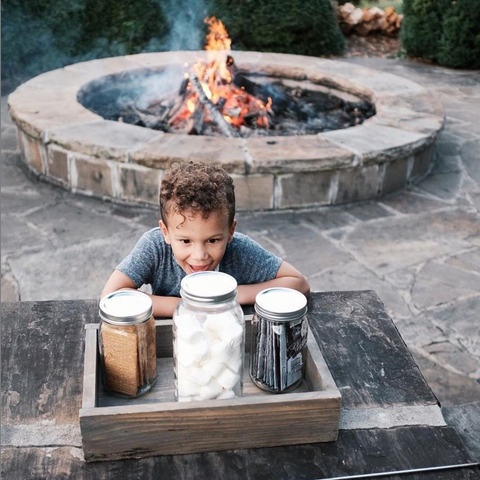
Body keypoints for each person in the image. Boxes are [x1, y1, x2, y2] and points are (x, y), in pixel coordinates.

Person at [102, 161, 310, 317]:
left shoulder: (239, 250)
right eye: (185, 241)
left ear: (230, 232)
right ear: (165, 232)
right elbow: (111, 294)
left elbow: (299, 283)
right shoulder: (155, 247)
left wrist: (233, 295)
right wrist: (187, 306)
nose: (199, 256)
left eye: (213, 240)